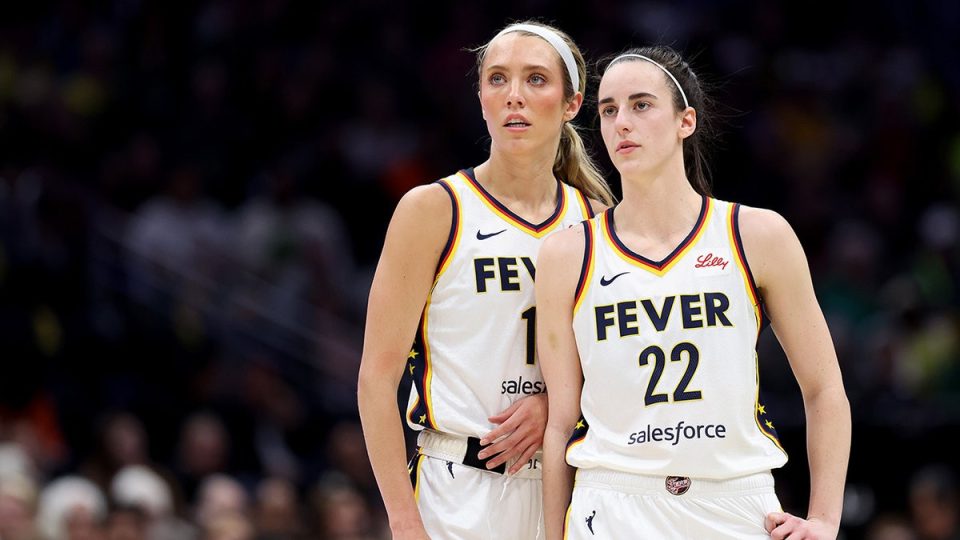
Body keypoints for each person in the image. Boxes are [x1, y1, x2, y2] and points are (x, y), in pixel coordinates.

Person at [537, 46, 851, 540]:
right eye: (609, 110)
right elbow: (560, 424)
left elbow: (824, 388)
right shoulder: (565, 254)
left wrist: (826, 519)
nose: (622, 123)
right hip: (612, 502)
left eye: (641, 105)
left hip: (734, 501)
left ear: (686, 121)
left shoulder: (757, 234)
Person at [357, 20, 614, 539]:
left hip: (573, 490)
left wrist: (553, 405)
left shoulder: (598, 221)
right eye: (498, 79)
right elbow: (376, 379)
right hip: (457, 490)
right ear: (480, 100)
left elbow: (615, 366)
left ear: (571, 104)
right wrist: (404, 521)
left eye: (535, 79)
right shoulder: (434, 209)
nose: (514, 95)